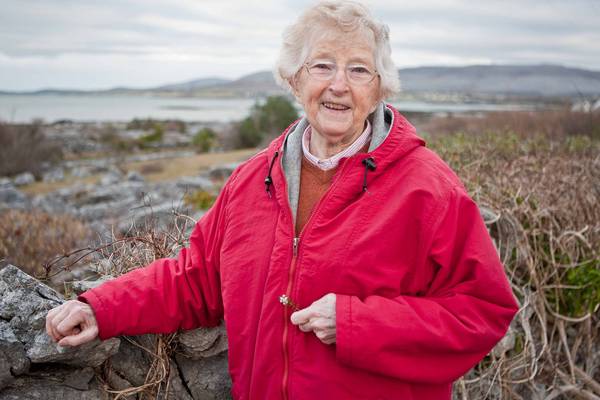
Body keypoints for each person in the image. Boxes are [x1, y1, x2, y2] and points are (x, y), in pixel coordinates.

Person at [46, 1, 519, 399]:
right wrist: (101, 307)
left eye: (358, 70)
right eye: (322, 66)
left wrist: (356, 323)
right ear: (294, 81)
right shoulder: (253, 179)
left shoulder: (428, 189)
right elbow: (197, 278)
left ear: (378, 90)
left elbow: (482, 310)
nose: (338, 84)